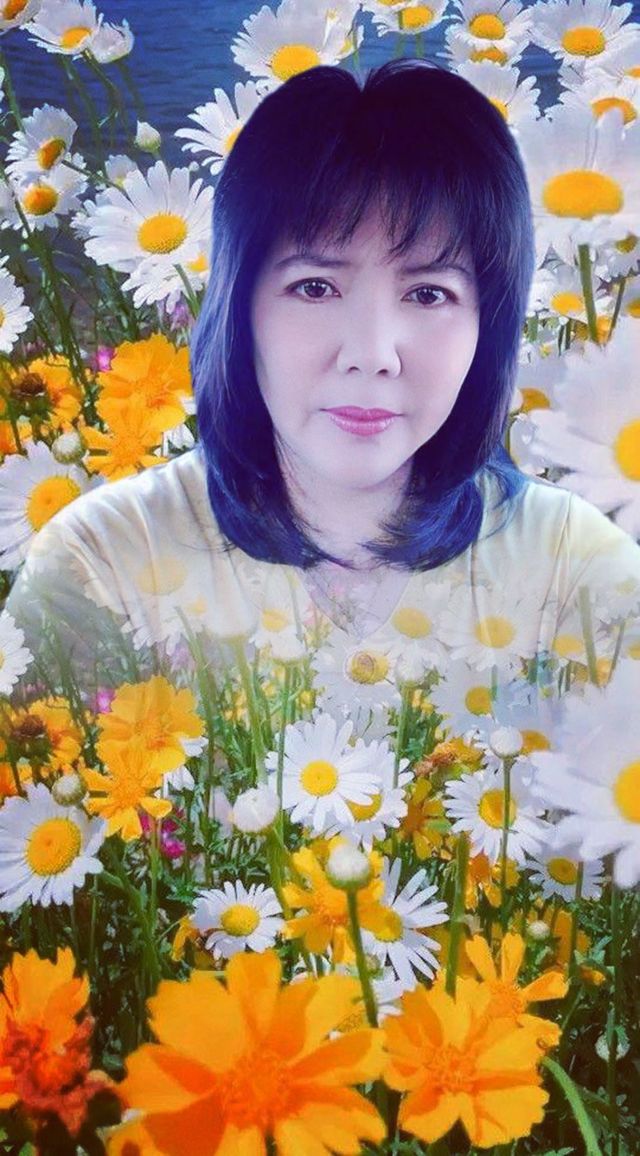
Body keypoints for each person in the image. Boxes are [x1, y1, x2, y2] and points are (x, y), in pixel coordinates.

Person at [4, 58, 640, 738]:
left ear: (491, 325)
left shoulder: (578, 569)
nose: (371, 353)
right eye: (315, 287)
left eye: (429, 293)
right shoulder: (99, 563)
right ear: (238, 306)